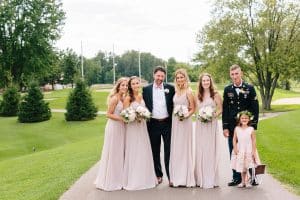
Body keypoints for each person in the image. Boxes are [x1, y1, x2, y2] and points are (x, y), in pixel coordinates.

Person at [222, 64, 259, 186]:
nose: (234, 76)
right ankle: (236, 177)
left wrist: (253, 126)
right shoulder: (227, 89)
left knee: (249, 152)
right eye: (232, 74)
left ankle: (252, 177)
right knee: (234, 151)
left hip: (246, 127)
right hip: (233, 127)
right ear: (230, 75)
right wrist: (225, 126)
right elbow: (225, 109)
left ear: (241, 73)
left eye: (236, 73)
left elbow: (255, 108)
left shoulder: (249, 88)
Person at [122, 76, 157, 190]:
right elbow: (125, 115)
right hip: (133, 128)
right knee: (134, 151)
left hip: (142, 127)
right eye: (133, 84)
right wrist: (134, 117)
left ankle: (145, 178)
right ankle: (134, 179)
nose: (136, 85)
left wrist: (144, 115)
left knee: (143, 150)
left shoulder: (141, 96)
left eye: (137, 83)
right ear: (130, 86)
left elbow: (145, 109)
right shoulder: (128, 98)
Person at [94, 77, 128, 191]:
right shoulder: (114, 98)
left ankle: (120, 178)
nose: (125, 87)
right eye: (123, 85)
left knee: (120, 152)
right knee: (113, 152)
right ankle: (111, 180)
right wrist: (121, 119)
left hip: (122, 128)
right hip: (114, 127)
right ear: (118, 86)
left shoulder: (123, 98)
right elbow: (108, 114)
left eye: (126, 85)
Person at [143, 66, 175, 184]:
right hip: (153, 124)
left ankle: (171, 176)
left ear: (164, 77)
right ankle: (158, 175)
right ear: (154, 75)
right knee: (155, 151)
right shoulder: (146, 89)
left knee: (169, 150)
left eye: (162, 76)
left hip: (167, 123)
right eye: (158, 75)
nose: (160, 78)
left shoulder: (170, 88)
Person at [194, 73, 222, 188]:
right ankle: (200, 178)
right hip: (200, 125)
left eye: (207, 80)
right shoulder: (198, 95)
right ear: (200, 82)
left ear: (210, 82)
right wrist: (201, 116)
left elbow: (220, 109)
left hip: (211, 124)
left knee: (210, 150)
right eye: (203, 81)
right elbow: (196, 110)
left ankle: (211, 178)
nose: (206, 82)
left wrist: (211, 116)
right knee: (201, 149)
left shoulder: (215, 94)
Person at [169, 68, 195, 187]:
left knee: (184, 148)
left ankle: (185, 178)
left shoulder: (189, 91)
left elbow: (193, 108)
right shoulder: (175, 90)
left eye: (181, 77)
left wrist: (185, 116)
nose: (179, 79)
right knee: (177, 148)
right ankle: (176, 177)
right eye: (177, 77)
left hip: (185, 122)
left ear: (185, 78)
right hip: (176, 122)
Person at [230, 111, 259, 188]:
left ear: (249, 119)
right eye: (242, 118)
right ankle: (243, 182)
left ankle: (248, 181)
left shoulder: (251, 129)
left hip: (249, 149)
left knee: (248, 166)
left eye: (246, 118)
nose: (244, 119)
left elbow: (253, 140)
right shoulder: (237, 128)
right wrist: (235, 148)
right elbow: (234, 139)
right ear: (239, 119)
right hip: (240, 149)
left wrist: (253, 151)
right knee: (242, 166)